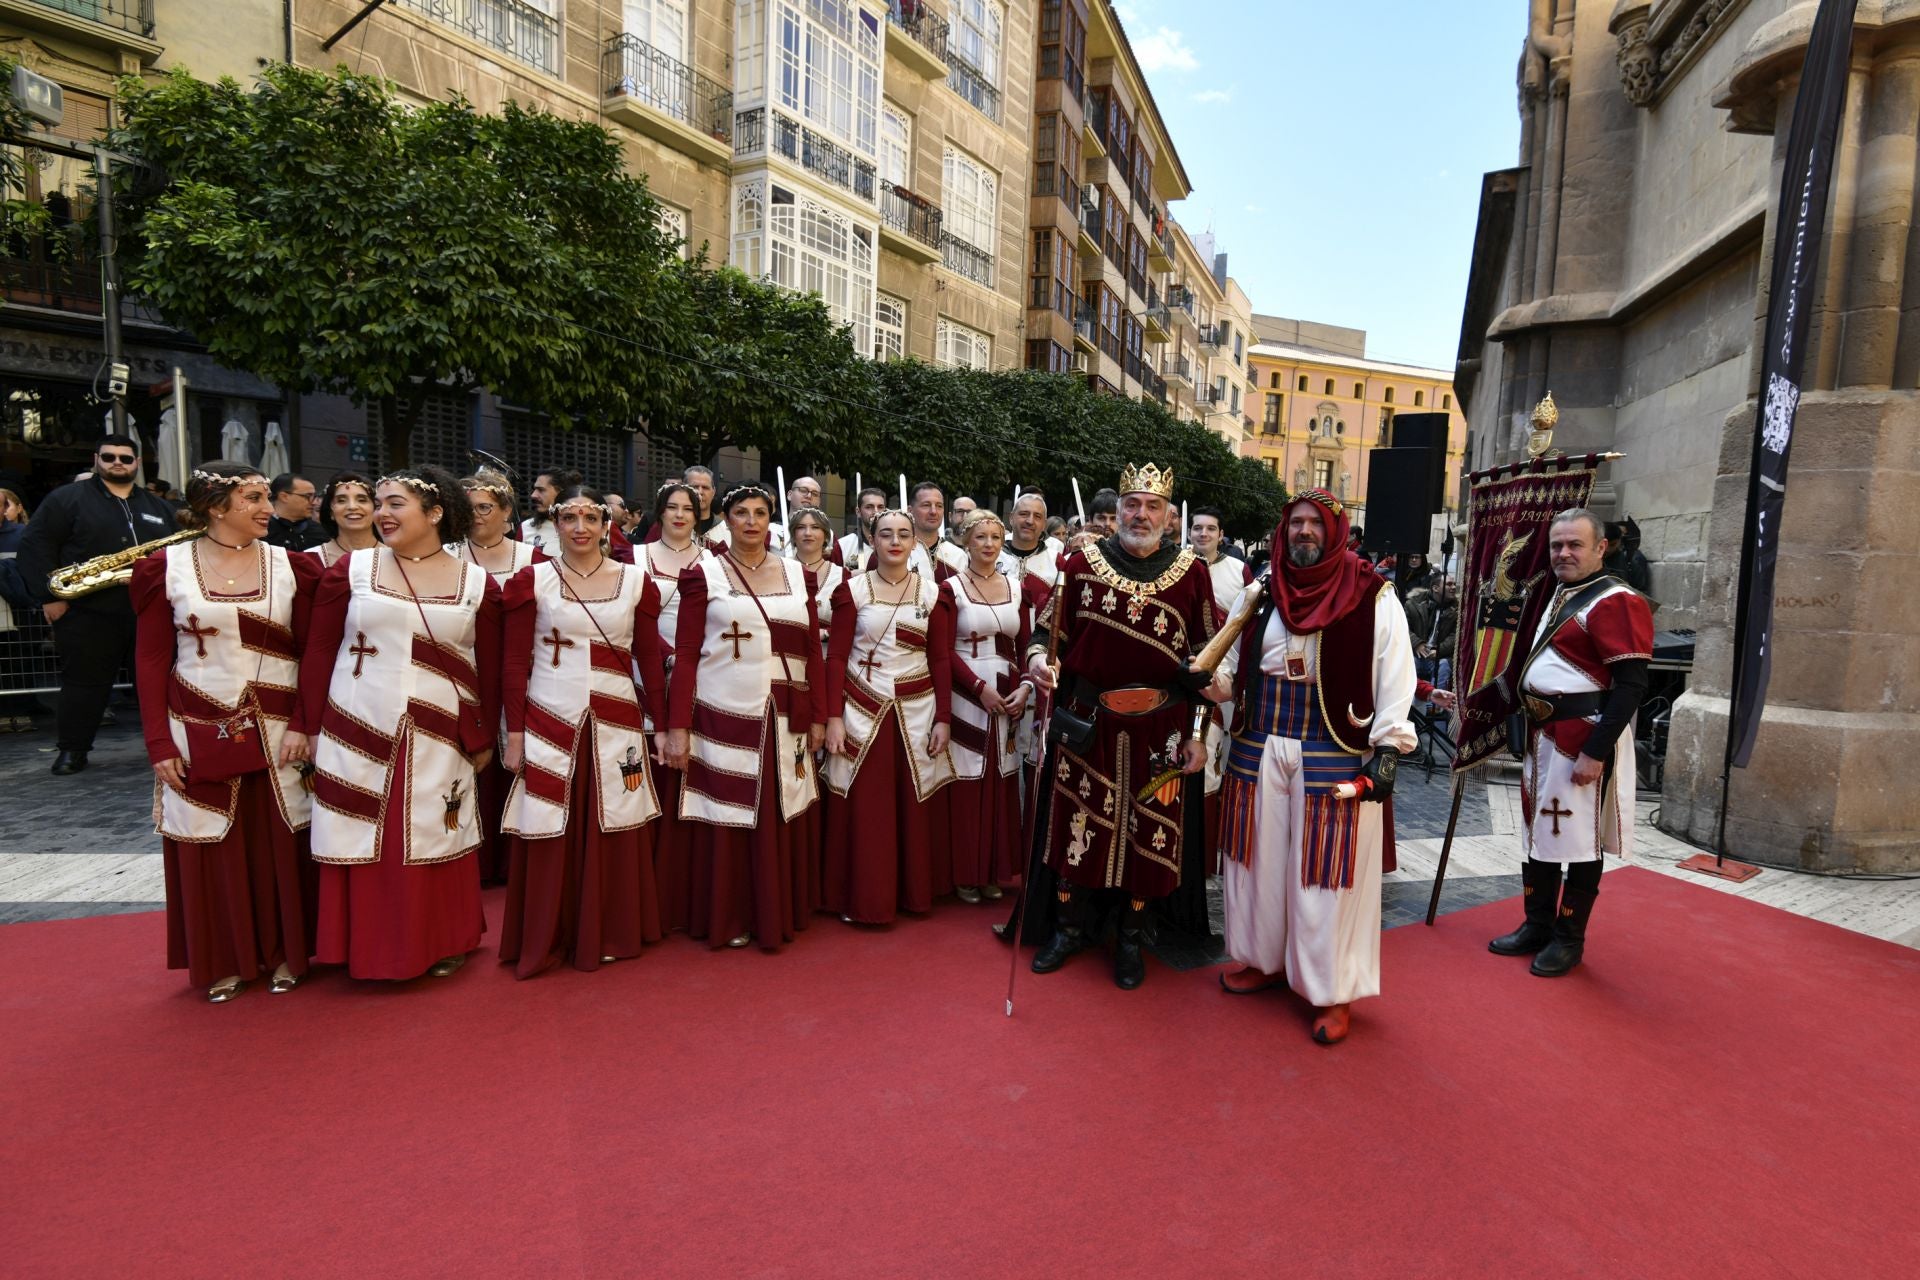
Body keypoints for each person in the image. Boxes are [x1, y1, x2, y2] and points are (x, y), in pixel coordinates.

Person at [1212, 489, 1417, 1045]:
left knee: (1327, 875)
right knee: (1255, 863)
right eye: (1296, 522)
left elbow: (1394, 672)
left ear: (1335, 531)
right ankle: (1262, 959)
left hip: (1333, 747)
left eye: (1315, 524)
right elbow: (1229, 662)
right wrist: (1213, 685)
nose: (1304, 532)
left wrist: (1390, 750)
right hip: (1258, 743)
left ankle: (1330, 990)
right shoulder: (1260, 591)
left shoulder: (1372, 594)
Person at [299, 466, 502, 981]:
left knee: (439, 828)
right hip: (356, 720)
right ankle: (362, 946)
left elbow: (491, 667)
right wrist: (308, 725)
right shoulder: (352, 569)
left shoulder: (477, 581)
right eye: (379, 503)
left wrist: (483, 734)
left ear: (434, 514)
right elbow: (320, 648)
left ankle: (443, 940)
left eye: (395, 504)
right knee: (360, 830)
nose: (381, 514)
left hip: (441, 730)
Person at [1024, 464, 1218, 989]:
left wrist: (1199, 732)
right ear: (1118, 510)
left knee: (1149, 840)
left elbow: (1206, 660)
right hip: (1090, 723)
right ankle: (1067, 930)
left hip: (1164, 729)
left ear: (1168, 516)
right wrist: (1040, 661)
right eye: (1132, 504)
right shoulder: (1079, 563)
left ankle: (1131, 937)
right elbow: (1045, 636)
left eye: (1152, 506)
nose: (1140, 514)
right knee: (1075, 829)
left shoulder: (1192, 571)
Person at [132, 463, 321, 1002]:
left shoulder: (292, 568)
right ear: (217, 507)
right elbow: (149, 659)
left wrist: (306, 724)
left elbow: (311, 653)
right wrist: (158, 743)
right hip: (197, 721)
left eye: (266, 497)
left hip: (280, 725)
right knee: (211, 842)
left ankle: (290, 952)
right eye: (254, 498)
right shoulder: (163, 569)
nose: (269, 506)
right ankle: (225, 957)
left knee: (282, 839)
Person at [497, 486, 666, 978]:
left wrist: (661, 725)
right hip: (549, 715)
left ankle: (611, 929)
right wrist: (513, 735)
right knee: (550, 822)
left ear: (606, 524)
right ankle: (551, 932)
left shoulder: (636, 582)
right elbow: (512, 662)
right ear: (555, 524)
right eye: (568, 518)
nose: (580, 528)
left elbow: (650, 660)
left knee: (617, 815)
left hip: (618, 720)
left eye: (590, 518)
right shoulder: (533, 581)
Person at [1489, 508, 1653, 977]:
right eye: (1557, 545)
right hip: (1542, 739)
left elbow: (1630, 687)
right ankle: (1536, 924)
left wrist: (1594, 752)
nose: (1563, 553)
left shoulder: (1617, 600)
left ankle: (1568, 938)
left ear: (1601, 548)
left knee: (1579, 843)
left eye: (1575, 545)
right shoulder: (1560, 594)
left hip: (1580, 741)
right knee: (1539, 834)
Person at [663, 484, 825, 949]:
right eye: (741, 513)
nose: (751, 521)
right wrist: (677, 727)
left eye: (759, 513)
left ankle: (774, 911)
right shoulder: (704, 575)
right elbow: (688, 652)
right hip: (721, 709)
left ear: (772, 520)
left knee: (780, 810)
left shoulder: (798, 574)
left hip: (784, 715)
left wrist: (818, 715)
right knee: (727, 815)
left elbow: (813, 649)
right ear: (726, 519)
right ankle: (729, 914)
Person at [821, 510, 955, 924]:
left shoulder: (933, 594)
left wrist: (944, 719)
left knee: (912, 803)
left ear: (915, 542)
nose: (894, 542)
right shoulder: (853, 590)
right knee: (866, 808)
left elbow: (940, 658)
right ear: (871, 540)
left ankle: (912, 895)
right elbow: (837, 656)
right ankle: (865, 899)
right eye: (885, 535)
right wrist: (833, 718)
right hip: (861, 708)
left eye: (903, 535)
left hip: (917, 711)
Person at [17, 434, 177, 775]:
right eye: (109, 457)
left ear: (137, 463)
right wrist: (49, 597)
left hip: (149, 610)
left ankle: (167, 750)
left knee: (159, 682)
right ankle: (72, 750)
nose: (117, 462)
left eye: (125, 457)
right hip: (87, 610)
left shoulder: (158, 506)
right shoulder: (66, 499)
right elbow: (36, 545)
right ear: (96, 459)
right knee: (83, 684)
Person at [453, 470, 540, 887]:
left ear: (507, 513)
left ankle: (510, 855)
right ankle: (470, 852)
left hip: (519, 669)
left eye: (485, 508)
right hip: (464, 666)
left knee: (513, 750)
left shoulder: (531, 560)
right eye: (468, 508)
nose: (476, 516)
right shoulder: (447, 554)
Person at [938, 509, 1031, 903]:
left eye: (996, 537)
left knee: (1001, 777)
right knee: (968, 780)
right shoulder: (950, 588)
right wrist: (978, 687)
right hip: (966, 694)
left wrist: (1026, 687)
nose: (989, 545)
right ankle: (965, 871)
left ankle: (993, 869)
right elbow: (942, 650)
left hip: (1009, 694)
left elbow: (1026, 645)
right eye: (981, 538)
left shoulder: (1016, 587)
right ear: (965, 541)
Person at [638, 481, 707, 934]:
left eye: (689, 509)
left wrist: (689, 663)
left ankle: (691, 885)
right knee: (656, 771)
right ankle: (653, 887)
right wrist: (667, 658)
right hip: (650, 668)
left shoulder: (715, 561)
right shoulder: (638, 559)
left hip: (702, 672)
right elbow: (635, 619)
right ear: (659, 512)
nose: (680, 515)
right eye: (672, 507)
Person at [1188, 506, 1255, 868]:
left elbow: (1245, 627)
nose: (1202, 534)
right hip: (1187, 677)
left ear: (1220, 534)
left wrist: (1239, 679)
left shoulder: (1237, 571)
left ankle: (1211, 848)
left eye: (1210, 529)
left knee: (1220, 756)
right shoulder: (1177, 566)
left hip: (1226, 679)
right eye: (1197, 528)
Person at [0, 488, 36, 732]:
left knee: (17, 662)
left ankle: (21, 710)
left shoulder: (22, 535)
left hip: (17, 611)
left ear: (5, 509)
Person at [788, 506, 844, 658]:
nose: (808, 533)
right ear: (793, 535)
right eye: (801, 527)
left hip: (827, 658)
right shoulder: (778, 570)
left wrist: (826, 633)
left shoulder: (842, 576)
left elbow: (853, 624)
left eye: (815, 527)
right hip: (787, 657)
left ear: (826, 536)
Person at [308, 472, 379, 570]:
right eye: (341, 501)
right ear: (331, 512)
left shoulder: (396, 556)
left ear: (376, 508)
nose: (352, 507)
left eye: (362, 500)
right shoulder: (311, 559)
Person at [998, 491, 1062, 592]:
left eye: (1037, 516)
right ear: (1011, 518)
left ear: (1044, 524)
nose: (1030, 521)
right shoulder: (992, 556)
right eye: (1024, 514)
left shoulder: (1057, 562)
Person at [907, 481, 966, 577]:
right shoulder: (899, 552)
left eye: (939, 506)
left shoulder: (959, 556)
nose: (933, 511)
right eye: (926, 505)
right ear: (910, 511)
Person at [519, 468, 579, 558]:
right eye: (535, 489)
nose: (533, 495)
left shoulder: (584, 530)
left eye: (541, 490)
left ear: (561, 493)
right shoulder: (526, 527)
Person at [767, 474, 823, 557]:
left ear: (819, 501)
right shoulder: (770, 530)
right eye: (803, 490)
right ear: (789, 495)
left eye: (815, 494)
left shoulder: (827, 535)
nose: (809, 496)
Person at [266, 473, 326, 552]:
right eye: (308, 496)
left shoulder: (321, 533)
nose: (314, 502)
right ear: (284, 497)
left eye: (314, 496)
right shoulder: (261, 529)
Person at [838, 485, 887, 567]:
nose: (876, 512)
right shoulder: (843, 546)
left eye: (880, 507)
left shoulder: (894, 544)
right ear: (858, 511)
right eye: (869, 507)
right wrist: (849, 576)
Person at [682, 465, 723, 541]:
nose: (700, 492)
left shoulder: (727, 530)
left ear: (713, 492)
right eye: (694, 487)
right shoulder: (671, 526)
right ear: (683, 490)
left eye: (705, 487)